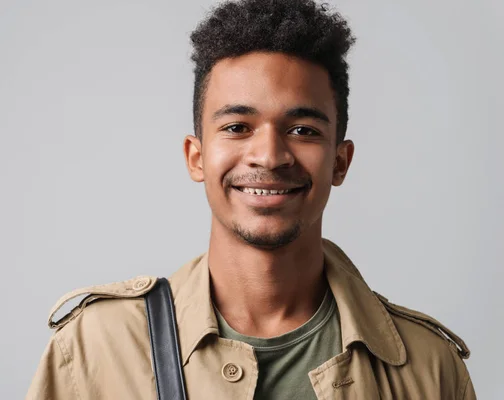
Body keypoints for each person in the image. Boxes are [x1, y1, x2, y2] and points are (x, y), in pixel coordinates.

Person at [26, 0, 476, 398]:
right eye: (237, 127)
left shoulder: (430, 367)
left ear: (340, 162)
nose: (270, 155)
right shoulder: (93, 349)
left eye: (303, 130)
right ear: (196, 156)